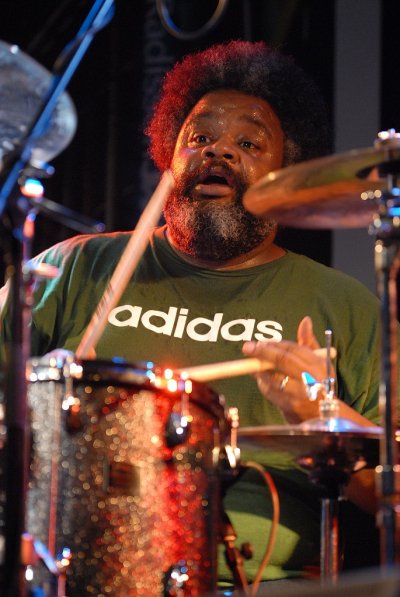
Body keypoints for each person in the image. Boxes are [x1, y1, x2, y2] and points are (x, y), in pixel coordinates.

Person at [0, 40, 385, 591]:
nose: (219, 151)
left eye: (248, 143)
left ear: (286, 171)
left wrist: (321, 416)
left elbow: (393, 496)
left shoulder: (343, 304)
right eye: (199, 138)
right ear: (168, 155)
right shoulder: (72, 268)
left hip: (261, 584)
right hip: (69, 575)